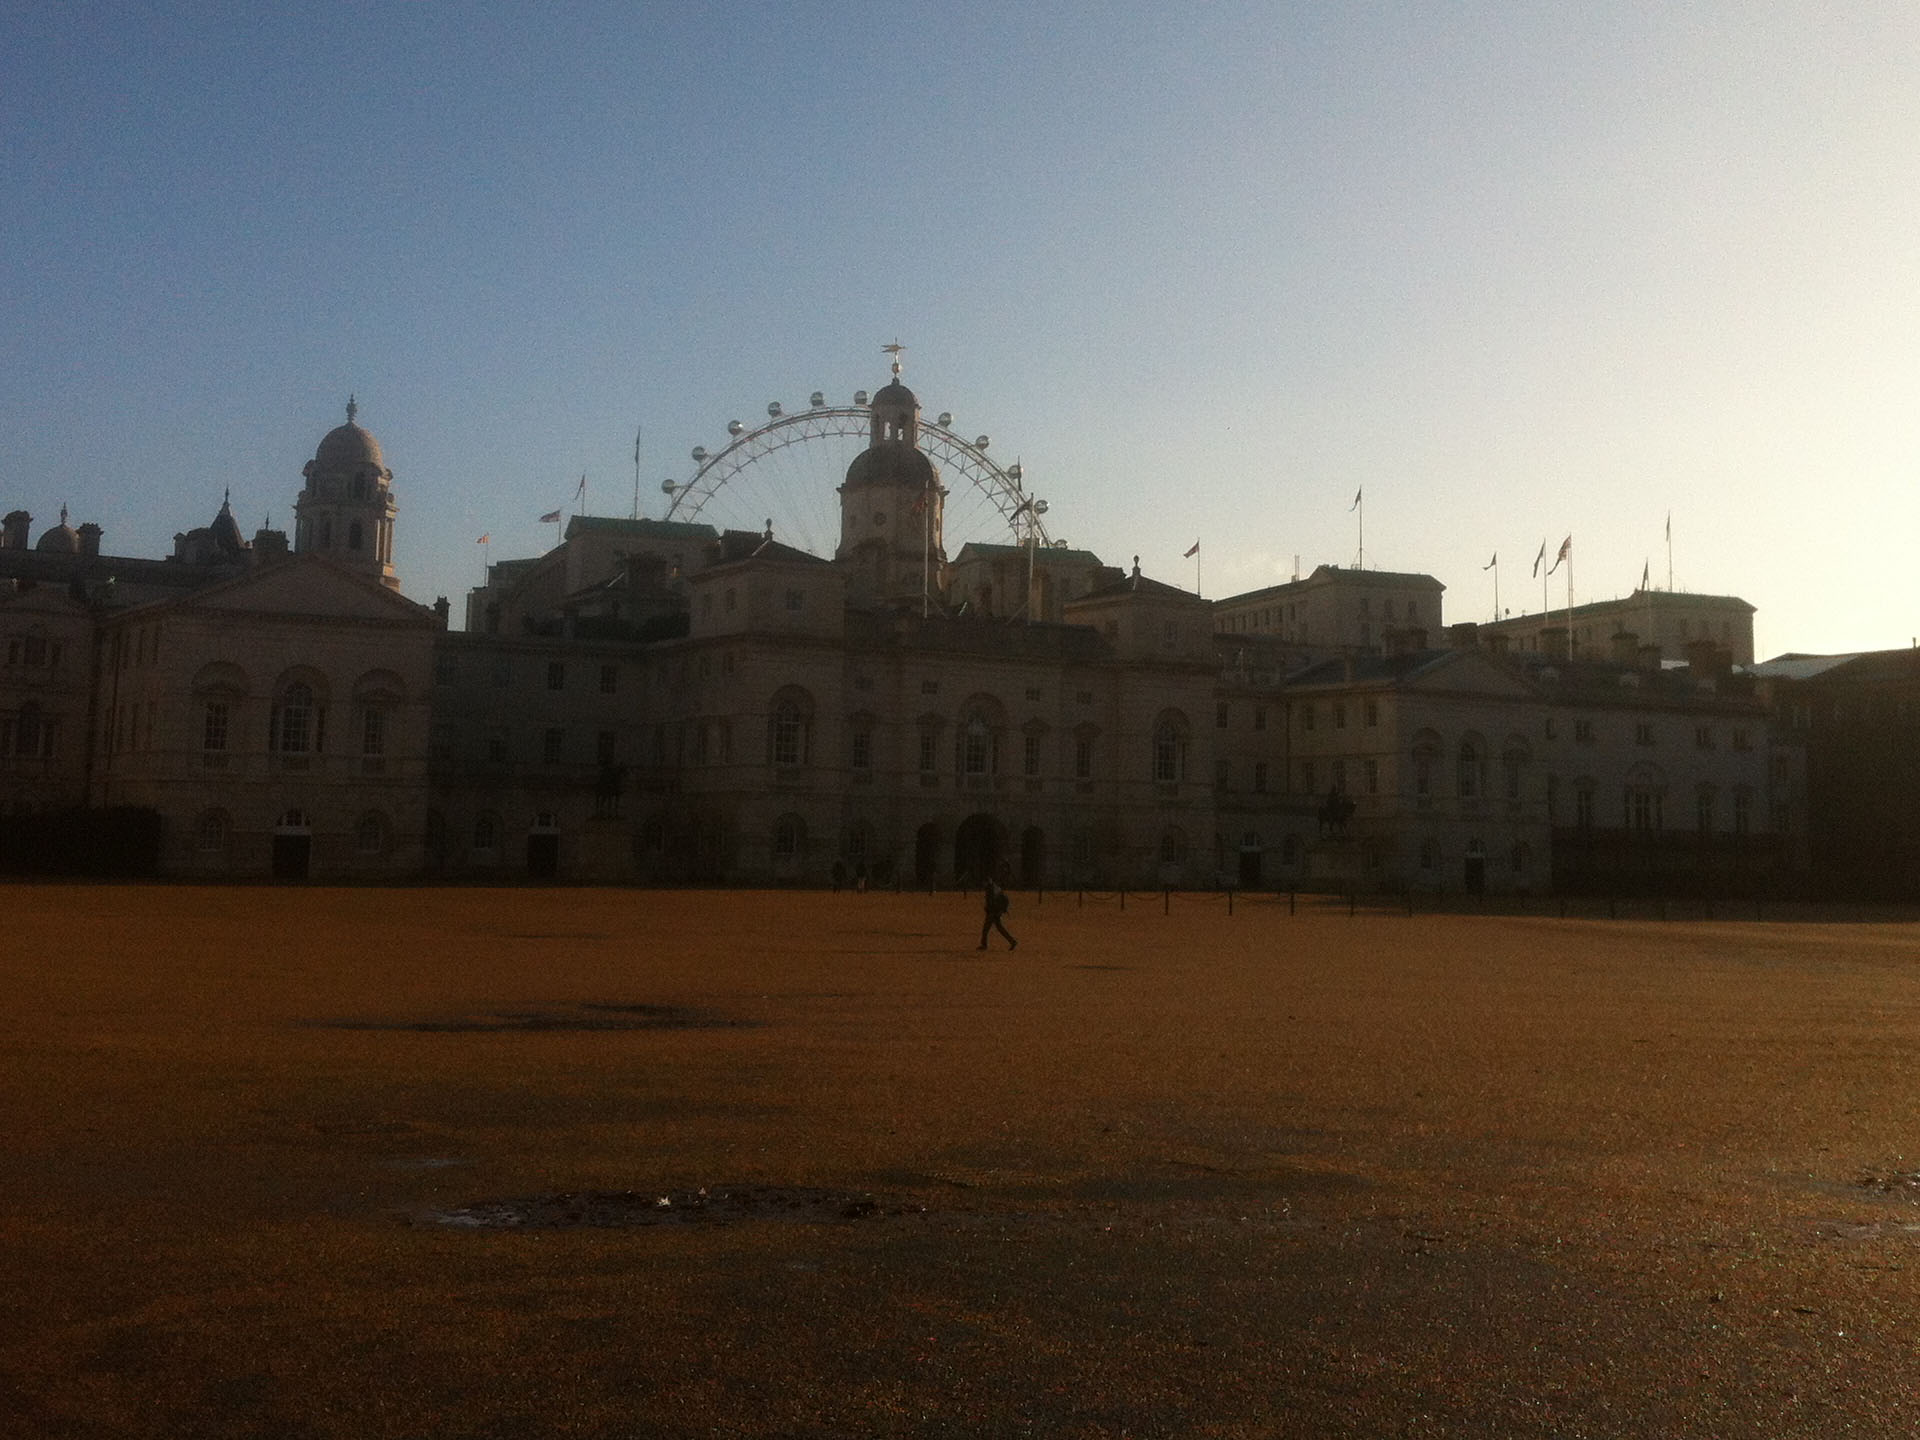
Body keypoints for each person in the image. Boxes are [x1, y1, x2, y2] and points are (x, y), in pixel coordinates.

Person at [979, 870, 1017, 951]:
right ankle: (1012, 941)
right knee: (1000, 928)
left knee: (986, 929)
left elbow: (991, 902)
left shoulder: (991, 889)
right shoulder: (994, 887)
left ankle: (984, 945)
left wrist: (990, 910)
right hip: (995, 911)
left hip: (993, 912)